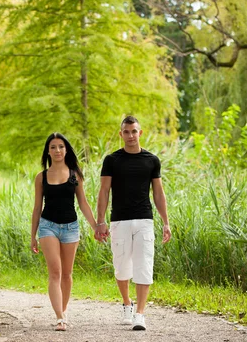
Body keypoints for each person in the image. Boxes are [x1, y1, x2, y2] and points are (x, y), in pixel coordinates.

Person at [95, 116, 171, 331]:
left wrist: (166, 222)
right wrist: (100, 222)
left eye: (134, 131)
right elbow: (104, 191)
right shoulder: (112, 160)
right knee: (121, 268)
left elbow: (158, 193)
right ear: (121, 134)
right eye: (126, 132)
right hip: (119, 220)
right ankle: (127, 303)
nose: (130, 136)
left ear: (140, 133)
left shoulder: (151, 160)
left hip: (145, 220)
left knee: (144, 266)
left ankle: (140, 314)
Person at [31, 133, 97, 331]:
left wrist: (96, 226)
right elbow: (36, 208)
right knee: (55, 272)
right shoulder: (41, 177)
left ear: (66, 150)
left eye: (61, 146)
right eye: (53, 147)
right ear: (48, 151)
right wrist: (32, 236)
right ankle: (59, 317)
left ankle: (64, 310)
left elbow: (83, 203)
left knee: (67, 274)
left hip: (70, 227)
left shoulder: (75, 174)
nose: (57, 150)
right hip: (47, 226)